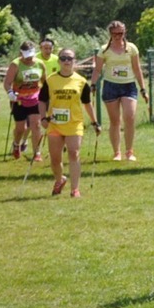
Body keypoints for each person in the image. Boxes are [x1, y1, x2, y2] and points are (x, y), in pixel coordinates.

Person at [37, 48, 100, 197]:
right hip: (55, 123)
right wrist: (43, 118)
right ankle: (60, 180)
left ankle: (75, 189)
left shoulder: (81, 81)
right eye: (63, 58)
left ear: (74, 61)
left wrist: (95, 122)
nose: (66, 61)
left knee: (73, 153)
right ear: (58, 61)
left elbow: (87, 103)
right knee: (55, 159)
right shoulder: (51, 80)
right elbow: (42, 100)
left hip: (74, 123)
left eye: (69, 58)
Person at [91, 20, 148, 161]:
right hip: (111, 86)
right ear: (110, 34)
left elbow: (137, 69)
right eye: (114, 34)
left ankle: (129, 151)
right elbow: (97, 69)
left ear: (125, 33)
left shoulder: (131, 48)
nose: (117, 36)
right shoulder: (104, 50)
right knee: (115, 121)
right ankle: (117, 152)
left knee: (130, 117)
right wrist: (93, 84)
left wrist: (143, 89)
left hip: (129, 86)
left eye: (120, 33)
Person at [4, 41, 47, 161]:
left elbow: (44, 81)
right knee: (20, 129)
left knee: (36, 125)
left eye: (31, 56)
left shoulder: (40, 64)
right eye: (26, 56)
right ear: (21, 53)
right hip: (19, 99)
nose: (29, 58)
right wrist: (10, 93)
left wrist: (46, 95)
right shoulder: (15, 64)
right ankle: (16, 144)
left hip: (35, 98)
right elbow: (7, 83)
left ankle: (37, 152)